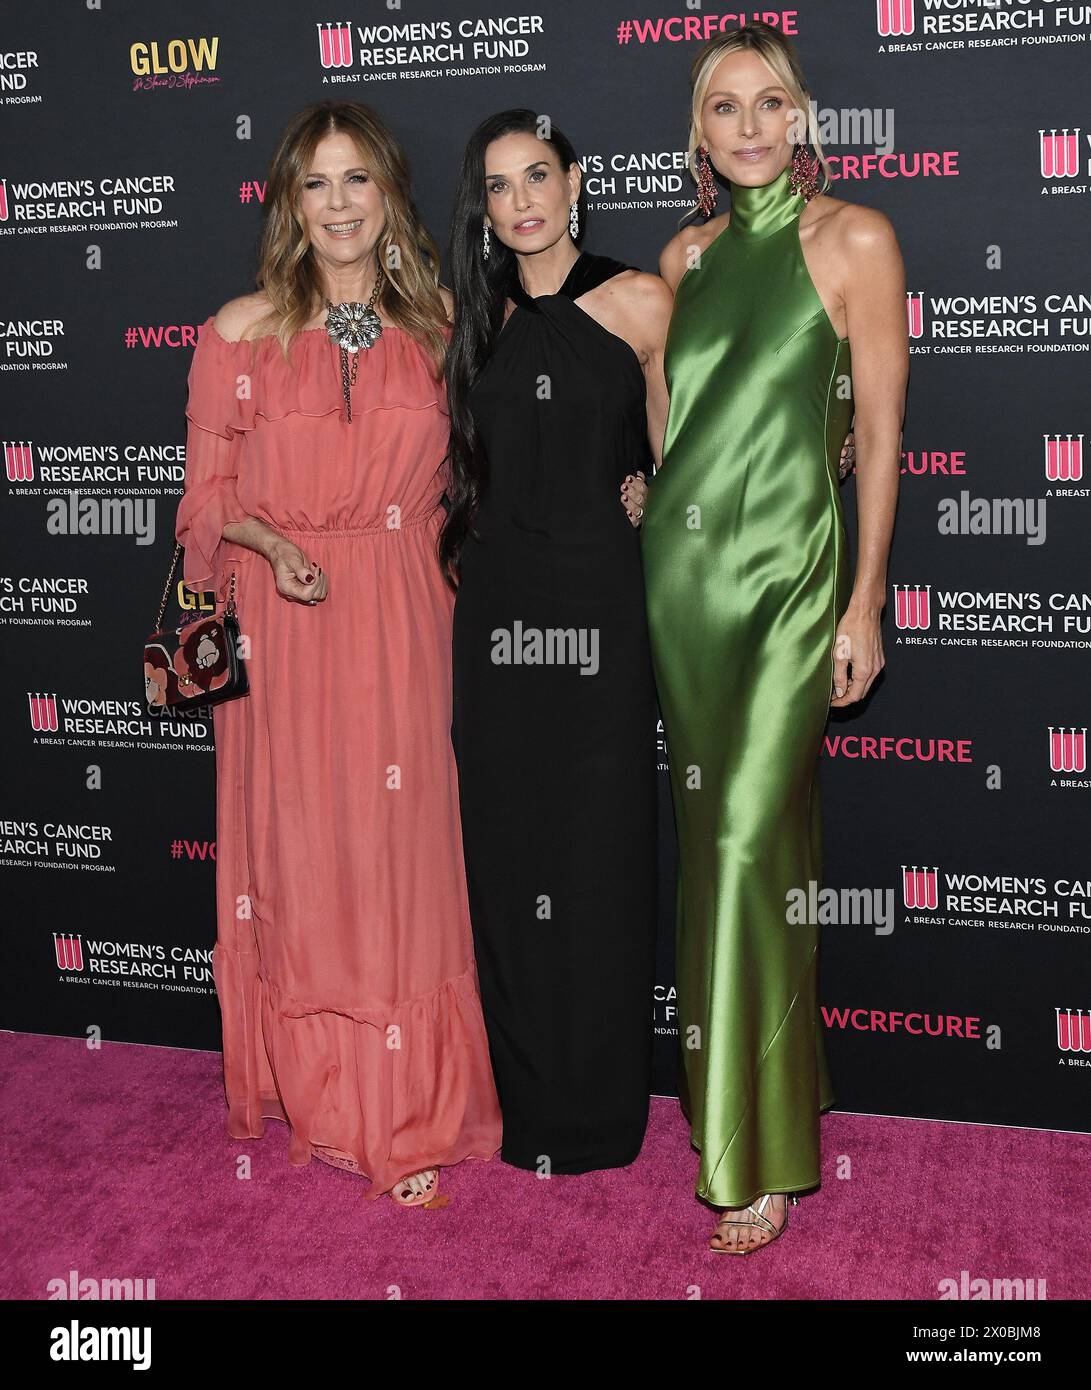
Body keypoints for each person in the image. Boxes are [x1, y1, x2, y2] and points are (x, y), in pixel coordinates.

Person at [176, 100, 501, 1207]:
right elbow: (204, 510)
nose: (338, 204)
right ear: (286, 204)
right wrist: (269, 542)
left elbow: (493, 486)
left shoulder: (446, 330)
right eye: (314, 184)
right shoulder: (236, 337)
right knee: (308, 858)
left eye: (356, 179)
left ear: (389, 196)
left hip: (407, 616)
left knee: (399, 856)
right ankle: (331, 1099)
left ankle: (406, 1105)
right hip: (285, 621)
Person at [641, 25, 906, 1252]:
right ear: (696, 133)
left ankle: (756, 1155)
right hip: (684, 591)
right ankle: (752, 1104)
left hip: (795, 585)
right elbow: (675, 431)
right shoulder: (682, 257)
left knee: (750, 839)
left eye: (768, 103)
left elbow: (881, 437)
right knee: (719, 855)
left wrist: (864, 599)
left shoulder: (853, 240)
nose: (747, 127)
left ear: (801, 115)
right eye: (721, 109)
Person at [441, 110, 671, 1174]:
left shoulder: (637, 301)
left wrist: (651, 498)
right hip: (494, 615)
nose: (522, 199)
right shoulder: (462, 316)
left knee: (598, 848)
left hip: (602, 616)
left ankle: (597, 1108)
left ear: (574, 181)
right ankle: (527, 1108)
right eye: (498, 186)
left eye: (537, 175)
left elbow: (683, 461)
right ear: (482, 208)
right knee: (510, 850)